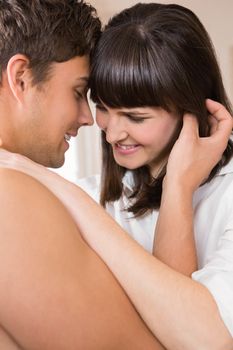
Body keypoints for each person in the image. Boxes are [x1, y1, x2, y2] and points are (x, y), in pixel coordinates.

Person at [0, 2, 232, 350]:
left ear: (193, 112)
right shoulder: (94, 194)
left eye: (136, 117)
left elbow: (202, 341)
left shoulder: (224, 196)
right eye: (101, 106)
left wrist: (179, 188)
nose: (107, 132)